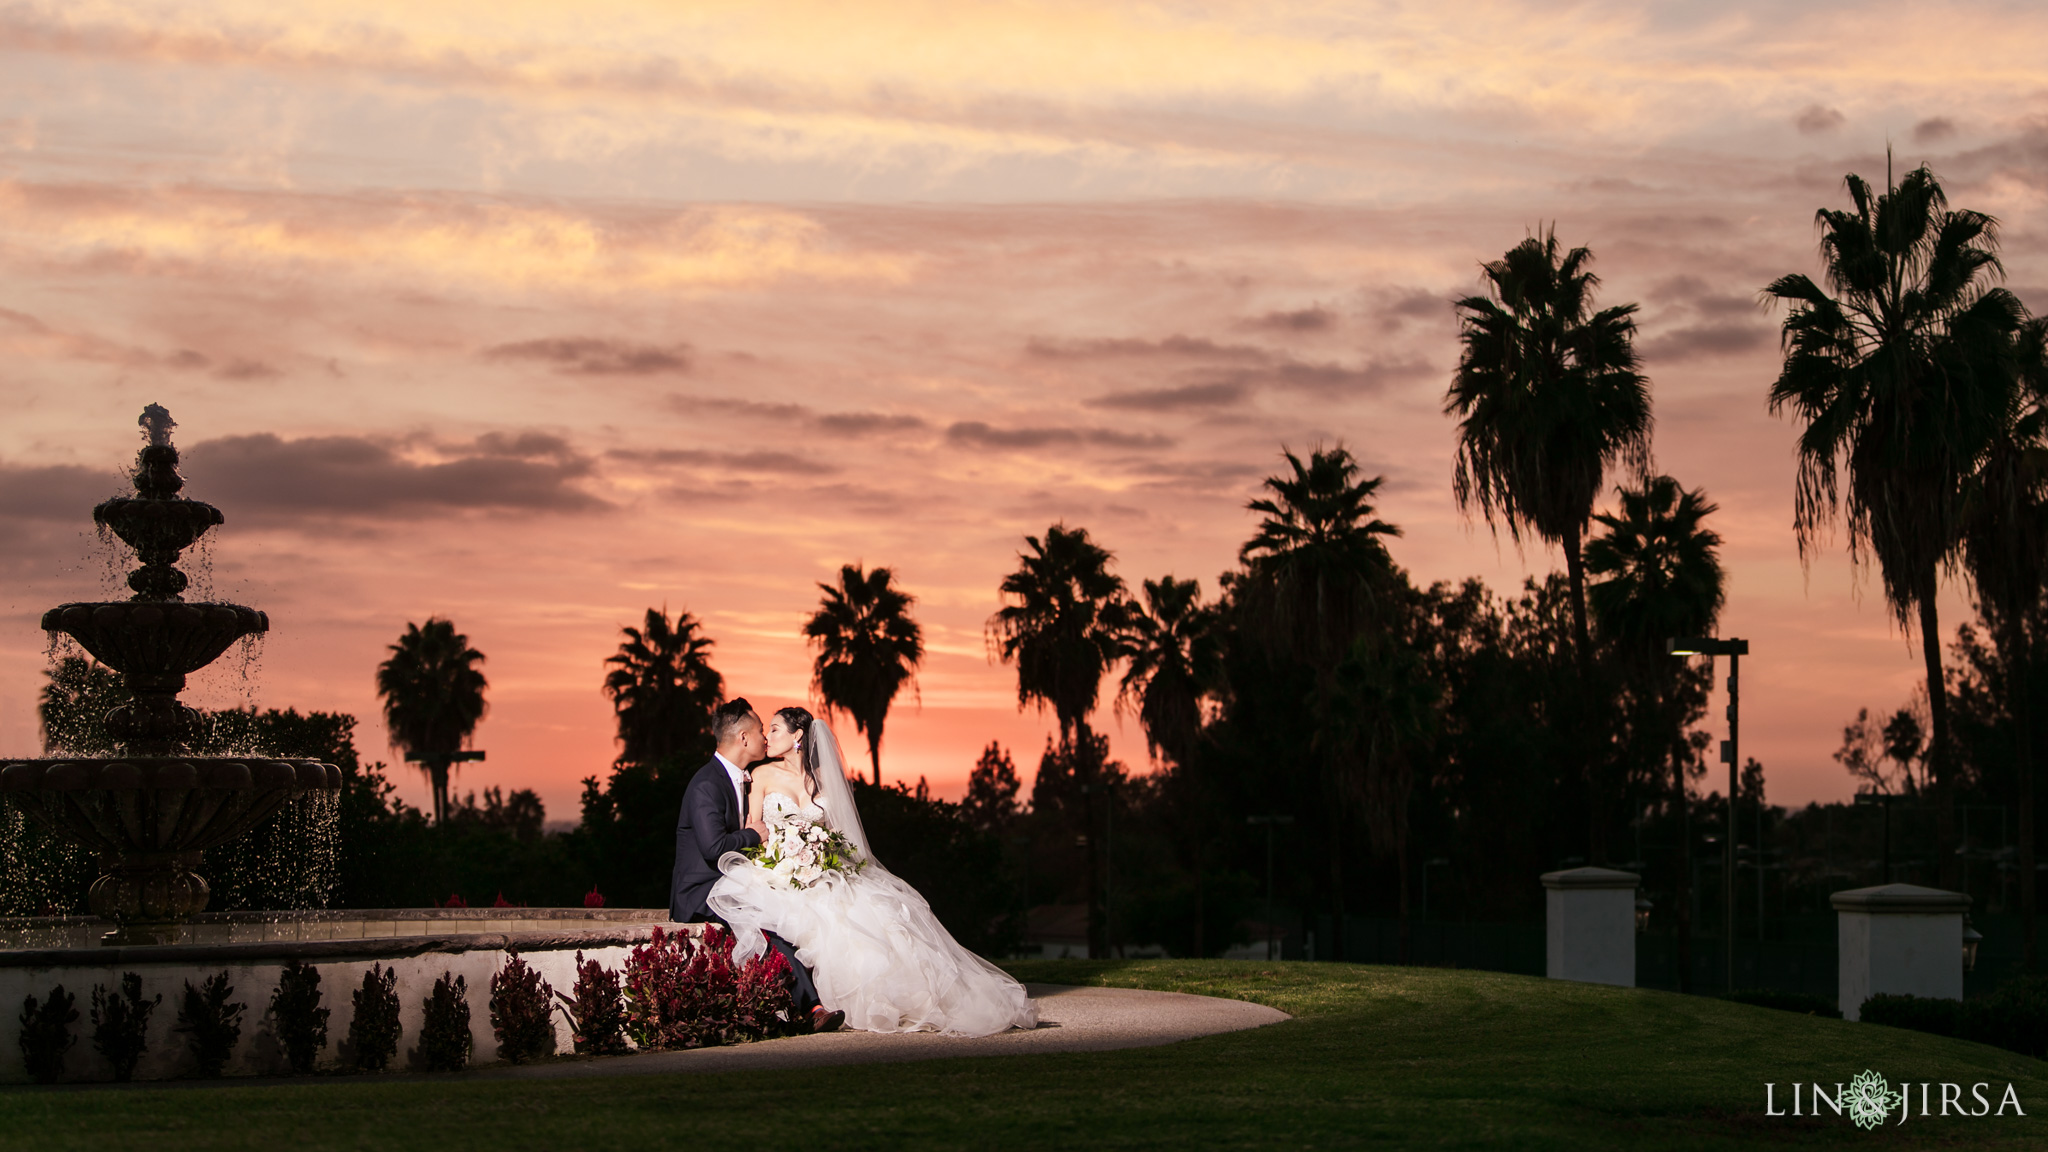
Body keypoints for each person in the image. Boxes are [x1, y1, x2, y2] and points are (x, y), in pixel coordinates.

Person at [708, 704, 1038, 1036]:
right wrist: (783, 860)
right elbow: (754, 827)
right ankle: (815, 1003)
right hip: (780, 871)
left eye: (775, 729)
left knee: (879, 920)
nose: (769, 737)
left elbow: (840, 834)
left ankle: (912, 997)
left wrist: (821, 856)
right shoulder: (762, 775)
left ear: (797, 737)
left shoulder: (824, 779)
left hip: (823, 870)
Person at [669, 698, 845, 1033]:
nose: (766, 737)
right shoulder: (707, 783)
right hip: (700, 890)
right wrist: (753, 834)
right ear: (743, 739)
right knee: (767, 921)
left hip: (732, 879)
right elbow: (713, 847)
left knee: (789, 913)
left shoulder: (741, 778)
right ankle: (811, 1007)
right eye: (762, 730)